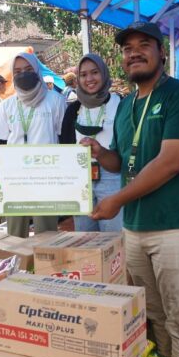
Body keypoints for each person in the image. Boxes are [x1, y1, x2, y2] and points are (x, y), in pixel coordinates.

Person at [81, 22, 179, 357]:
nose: (134, 53)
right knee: (153, 315)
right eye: (127, 48)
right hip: (137, 229)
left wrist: (117, 200)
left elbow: (171, 162)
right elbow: (121, 159)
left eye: (144, 46)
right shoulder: (126, 106)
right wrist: (96, 152)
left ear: (161, 53)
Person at [0, 52, 66, 238]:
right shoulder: (7, 106)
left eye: (28, 69)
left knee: (46, 235)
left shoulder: (55, 100)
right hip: (15, 178)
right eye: (17, 71)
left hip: (46, 177)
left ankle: (45, 267)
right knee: (15, 235)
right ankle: (18, 265)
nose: (23, 74)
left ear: (37, 70)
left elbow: (64, 140)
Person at [60, 53, 123, 232]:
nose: (89, 79)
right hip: (81, 178)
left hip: (112, 176)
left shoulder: (120, 104)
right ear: (78, 79)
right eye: (83, 74)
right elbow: (65, 145)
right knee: (85, 237)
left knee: (113, 237)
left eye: (94, 72)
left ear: (104, 74)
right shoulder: (73, 109)